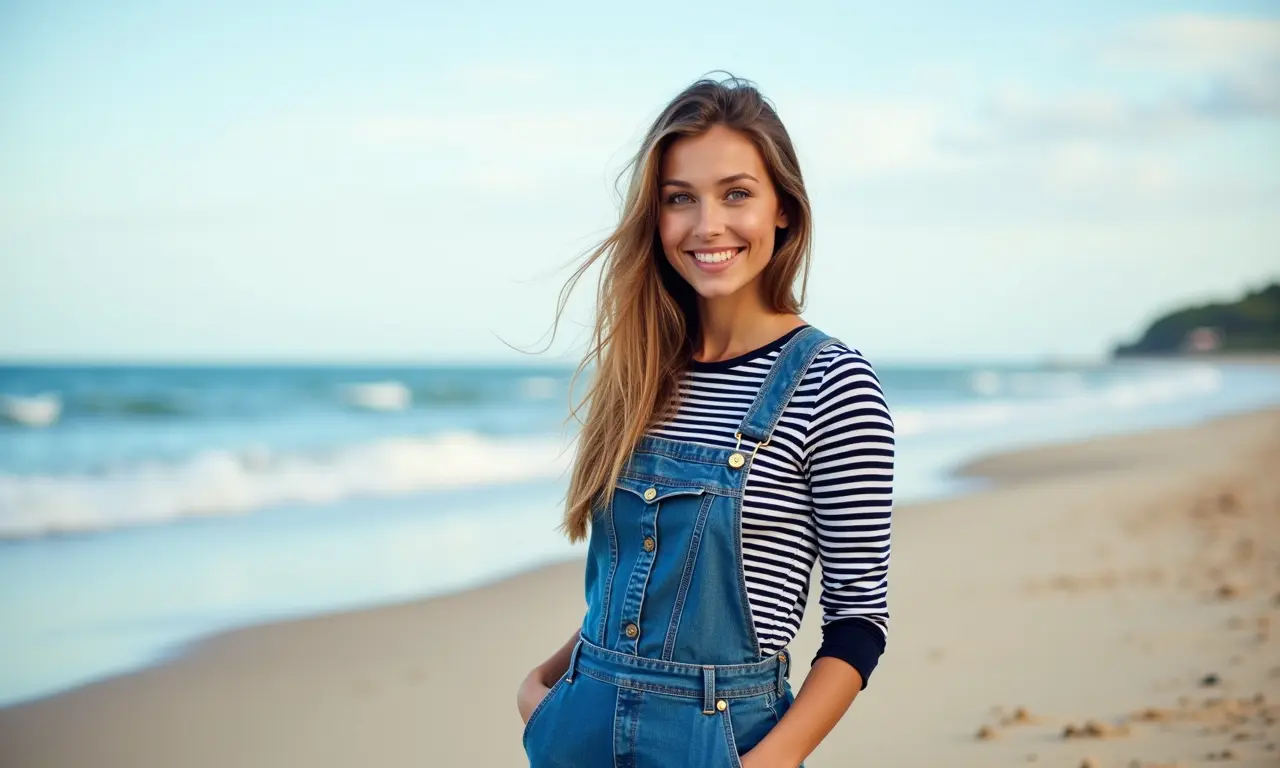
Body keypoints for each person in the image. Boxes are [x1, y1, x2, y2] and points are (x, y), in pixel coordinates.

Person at [516, 74, 895, 768]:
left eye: (736, 194)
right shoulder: (639, 372)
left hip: (724, 744)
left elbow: (858, 624)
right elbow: (632, 583)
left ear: (783, 209)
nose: (707, 225)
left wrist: (770, 762)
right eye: (679, 199)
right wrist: (542, 689)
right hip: (578, 736)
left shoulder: (832, 382)